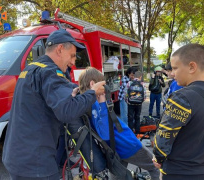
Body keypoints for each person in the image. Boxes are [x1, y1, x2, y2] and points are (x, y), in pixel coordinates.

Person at [2, 29, 105, 180]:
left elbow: (44, 98)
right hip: (36, 163)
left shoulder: (30, 69)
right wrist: (92, 92)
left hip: (15, 157)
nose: (73, 62)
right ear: (60, 49)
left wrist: (71, 90)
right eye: (72, 56)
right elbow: (67, 111)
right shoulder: (50, 72)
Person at [79, 67, 160, 180]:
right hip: (129, 145)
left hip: (116, 149)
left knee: (119, 176)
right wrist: (103, 104)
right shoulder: (97, 105)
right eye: (102, 84)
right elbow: (105, 133)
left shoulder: (85, 104)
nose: (105, 88)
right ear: (93, 83)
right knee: (156, 167)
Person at [153, 44, 204, 180]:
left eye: (175, 68)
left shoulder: (182, 97)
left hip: (180, 172)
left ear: (192, 67)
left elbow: (164, 135)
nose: (172, 73)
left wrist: (158, 156)